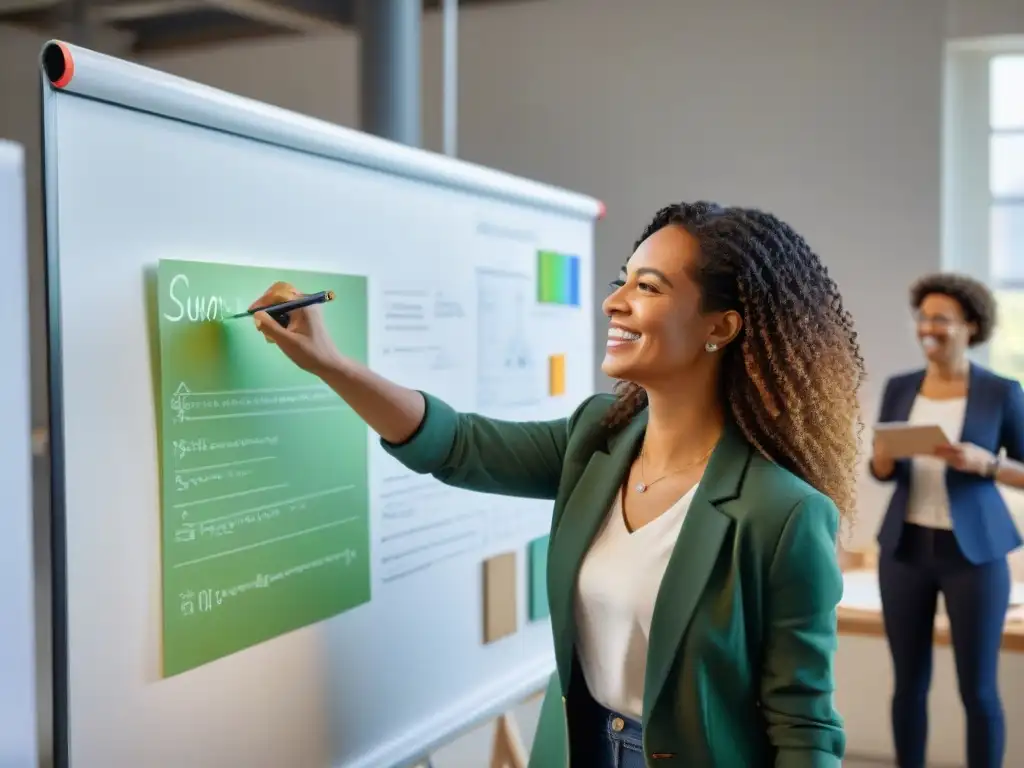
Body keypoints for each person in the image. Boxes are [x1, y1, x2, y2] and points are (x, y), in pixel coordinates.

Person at [250, 201, 862, 767]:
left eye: (647, 287)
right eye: (620, 280)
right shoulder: (596, 437)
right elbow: (457, 445)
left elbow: (803, 723)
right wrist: (328, 363)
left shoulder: (783, 512)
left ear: (721, 327)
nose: (614, 302)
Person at [870, 272, 1024, 768]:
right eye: (923, 317)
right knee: (908, 685)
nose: (927, 327)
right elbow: (881, 472)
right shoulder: (899, 387)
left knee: (978, 690)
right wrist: (883, 458)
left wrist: (988, 464)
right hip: (905, 550)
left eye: (941, 319)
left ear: (970, 325)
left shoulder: (1000, 391)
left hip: (974, 555)